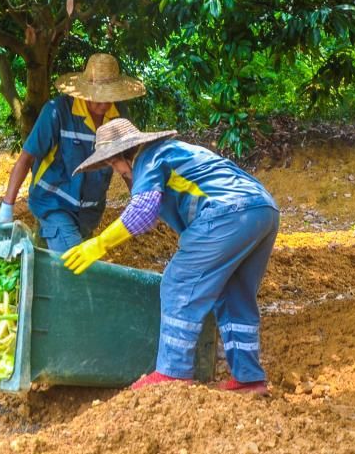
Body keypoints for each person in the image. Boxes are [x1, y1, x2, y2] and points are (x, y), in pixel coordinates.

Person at [61, 118, 279, 394]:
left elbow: (142, 210)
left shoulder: (149, 159)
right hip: (263, 210)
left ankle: (172, 373)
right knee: (234, 293)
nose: (115, 171)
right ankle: (249, 378)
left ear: (120, 157)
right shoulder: (176, 152)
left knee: (178, 282)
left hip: (229, 211)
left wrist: (100, 244)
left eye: (111, 164)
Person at [0, 53, 146, 252]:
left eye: (109, 97)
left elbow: (127, 165)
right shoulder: (57, 112)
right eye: (98, 97)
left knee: (61, 267)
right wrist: (7, 207)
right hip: (53, 202)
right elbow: (26, 158)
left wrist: (142, 200)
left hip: (89, 212)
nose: (104, 104)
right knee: (74, 266)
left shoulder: (119, 117)